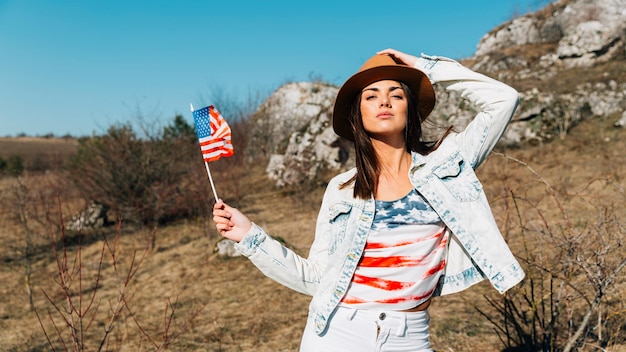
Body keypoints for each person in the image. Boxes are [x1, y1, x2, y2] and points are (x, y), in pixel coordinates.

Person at [213, 48, 525, 351]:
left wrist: (425, 67)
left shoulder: (445, 164)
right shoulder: (340, 189)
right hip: (336, 335)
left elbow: (503, 100)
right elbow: (316, 279)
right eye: (371, 95)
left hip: (410, 337)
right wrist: (250, 236)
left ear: (410, 109)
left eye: (397, 94)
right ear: (358, 115)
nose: (384, 101)